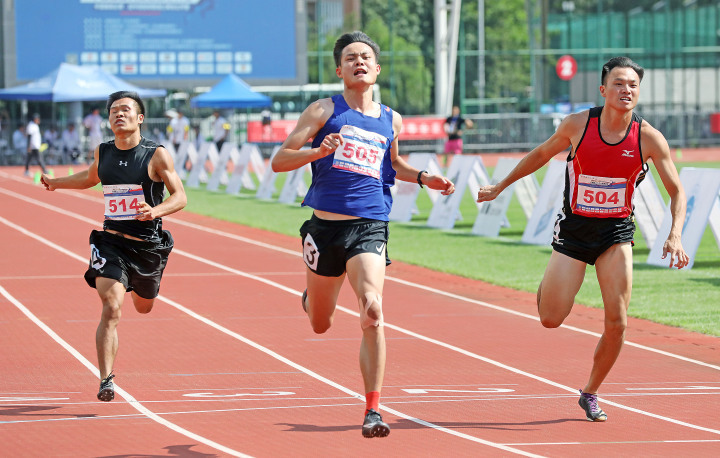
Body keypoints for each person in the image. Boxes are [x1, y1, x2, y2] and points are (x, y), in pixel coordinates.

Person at [476, 57, 689, 422]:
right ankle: (548, 287)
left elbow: (677, 191)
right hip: (574, 232)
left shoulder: (649, 138)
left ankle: (590, 391)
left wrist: (675, 234)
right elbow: (541, 154)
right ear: (603, 89)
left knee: (618, 322)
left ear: (639, 92)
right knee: (550, 319)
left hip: (616, 233)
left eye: (633, 85)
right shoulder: (578, 125)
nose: (626, 90)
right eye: (619, 83)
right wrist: (500, 186)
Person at [271, 31, 455, 438]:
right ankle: (313, 297)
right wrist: (317, 152)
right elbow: (279, 160)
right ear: (340, 69)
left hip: (370, 225)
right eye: (350, 57)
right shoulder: (322, 111)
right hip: (324, 229)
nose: (359, 62)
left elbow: (393, 165)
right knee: (321, 323)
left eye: (365, 57)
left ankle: (373, 410)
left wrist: (425, 177)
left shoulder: (392, 119)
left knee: (373, 310)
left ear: (376, 68)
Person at [40, 91, 187, 402]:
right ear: (108, 120)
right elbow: (90, 178)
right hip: (111, 242)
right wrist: (57, 182)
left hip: (146, 247)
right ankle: (106, 379)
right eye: (114, 111)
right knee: (112, 306)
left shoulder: (155, 154)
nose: (119, 115)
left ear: (140, 118)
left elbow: (180, 197)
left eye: (126, 110)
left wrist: (155, 211)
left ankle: (142, 287)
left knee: (144, 306)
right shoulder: (103, 151)